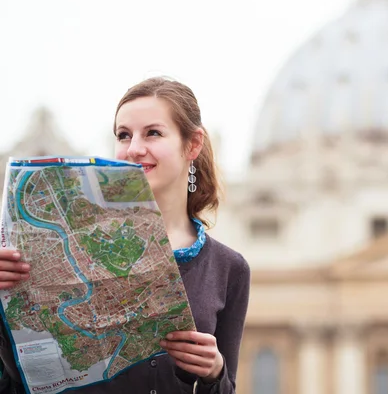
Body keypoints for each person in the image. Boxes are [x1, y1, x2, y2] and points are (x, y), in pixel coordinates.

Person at [0, 77, 250, 394]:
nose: (133, 149)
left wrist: (215, 371)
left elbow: (226, 389)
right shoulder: (66, 246)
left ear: (193, 144)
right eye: (123, 135)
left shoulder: (229, 268)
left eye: (153, 133)